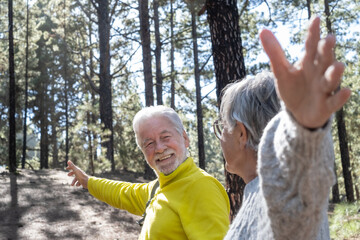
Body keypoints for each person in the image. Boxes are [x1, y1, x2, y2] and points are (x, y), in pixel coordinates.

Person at [214, 16, 351, 239]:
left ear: (241, 133)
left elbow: (291, 207)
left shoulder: (285, 194)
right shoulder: (260, 191)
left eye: (222, 127)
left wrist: (304, 129)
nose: (220, 138)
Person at [67, 105, 230, 240]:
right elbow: (123, 193)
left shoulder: (200, 187)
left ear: (185, 138)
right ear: (144, 152)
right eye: (149, 143)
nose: (159, 148)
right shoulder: (159, 189)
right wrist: (87, 181)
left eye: (166, 137)